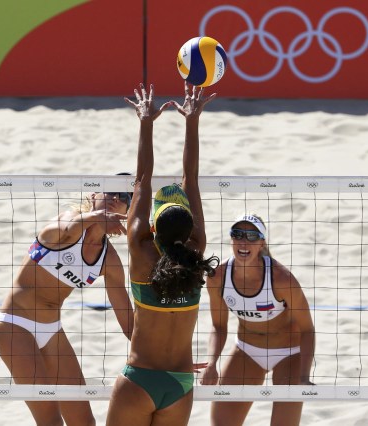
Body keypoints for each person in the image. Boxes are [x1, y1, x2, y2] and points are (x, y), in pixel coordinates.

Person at [106, 82, 219, 426]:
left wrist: (146, 121)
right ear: (190, 233)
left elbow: (142, 178)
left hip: (139, 379)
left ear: (153, 227)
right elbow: (192, 178)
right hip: (181, 384)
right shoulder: (197, 257)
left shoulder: (142, 254)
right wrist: (193, 120)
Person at [0, 186, 135, 426]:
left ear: (126, 212)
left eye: (124, 197)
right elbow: (70, 228)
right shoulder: (67, 221)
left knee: (83, 421)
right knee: (49, 420)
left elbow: (127, 319)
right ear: (93, 196)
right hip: (15, 326)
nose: (115, 198)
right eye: (111, 192)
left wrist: (161, 355)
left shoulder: (108, 260)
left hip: (52, 331)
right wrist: (96, 217)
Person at [201, 214, 316, 426]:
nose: (244, 242)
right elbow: (218, 326)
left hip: (288, 354)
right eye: (238, 235)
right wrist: (212, 363)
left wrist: (303, 376)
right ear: (231, 239)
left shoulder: (282, 279)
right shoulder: (217, 277)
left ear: (262, 243)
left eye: (252, 236)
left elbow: (308, 329)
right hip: (247, 350)